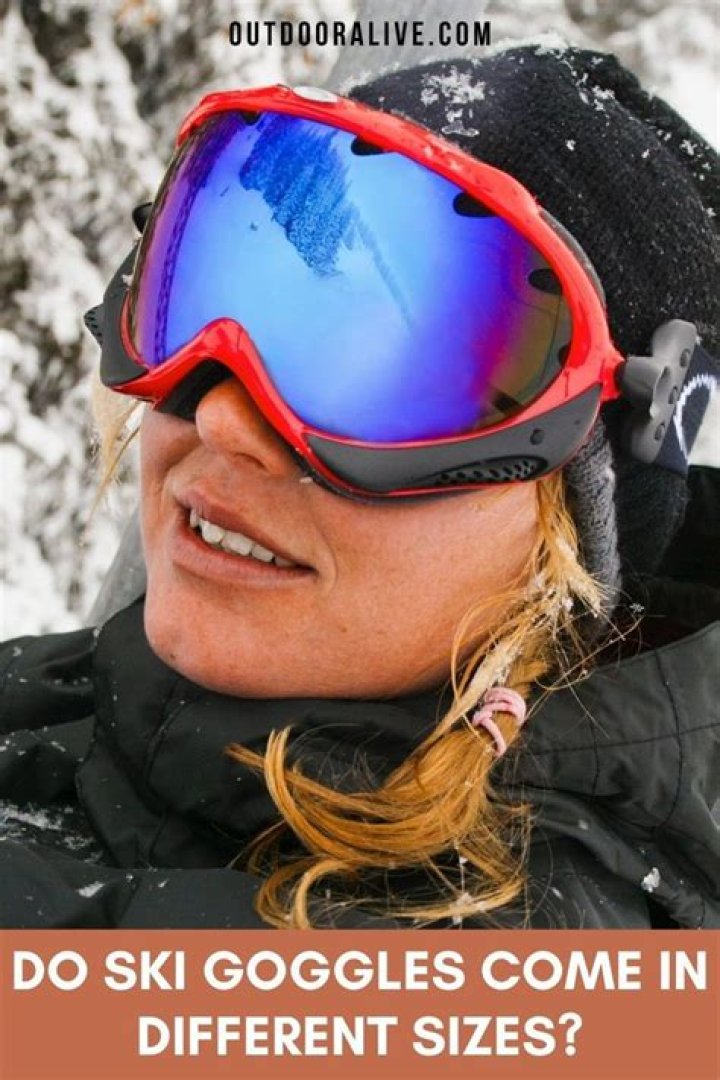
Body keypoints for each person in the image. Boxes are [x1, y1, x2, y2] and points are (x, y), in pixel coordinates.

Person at [1, 46, 718, 930]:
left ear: (566, 535)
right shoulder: (57, 697)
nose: (224, 420)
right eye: (213, 297)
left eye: (389, 378)